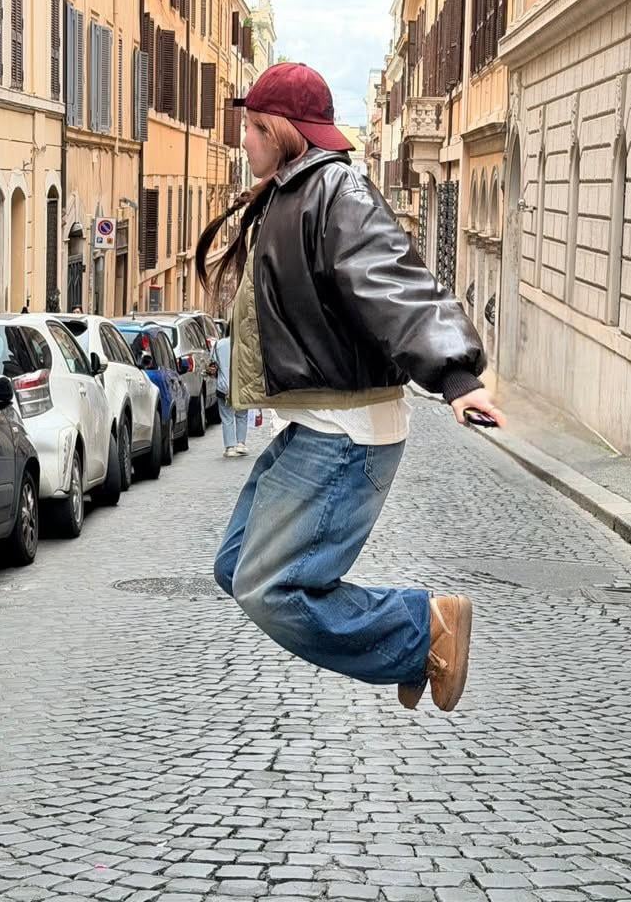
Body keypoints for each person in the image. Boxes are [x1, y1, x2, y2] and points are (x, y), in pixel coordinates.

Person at [195, 63, 504, 713]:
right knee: (236, 567)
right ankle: (412, 642)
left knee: (270, 588)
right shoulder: (289, 192)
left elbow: (396, 282)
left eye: (254, 127)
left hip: (345, 434)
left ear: (283, 131)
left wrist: (455, 375)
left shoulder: (337, 191)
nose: (243, 140)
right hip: (315, 424)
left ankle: (422, 629)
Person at [210, 326, 249, 458]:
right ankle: (241, 444)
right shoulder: (245, 344)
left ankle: (230, 447)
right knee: (242, 415)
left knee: (227, 417)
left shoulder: (218, 345)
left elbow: (212, 365)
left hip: (224, 387)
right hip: (241, 385)